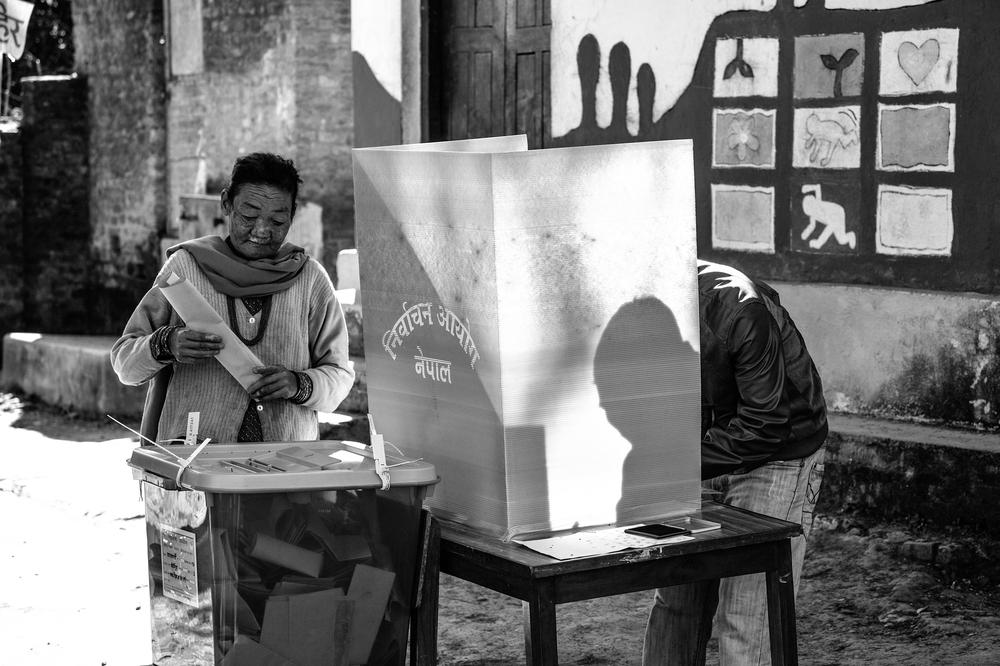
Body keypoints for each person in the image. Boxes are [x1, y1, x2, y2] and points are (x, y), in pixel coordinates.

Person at [642, 259, 828, 666]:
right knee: (677, 603)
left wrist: (671, 465)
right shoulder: (625, 310)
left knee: (747, 619)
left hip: (778, 454)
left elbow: (765, 424)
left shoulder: (738, 307)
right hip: (699, 447)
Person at [111, 152, 355, 444]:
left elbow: (340, 375)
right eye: (248, 216)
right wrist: (167, 343)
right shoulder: (185, 269)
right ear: (226, 203)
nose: (261, 231)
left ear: (292, 214)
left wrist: (299, 384)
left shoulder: (310, 280)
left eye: (277, 221)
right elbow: (125, 363)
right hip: (195, 458)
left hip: (287, 461)